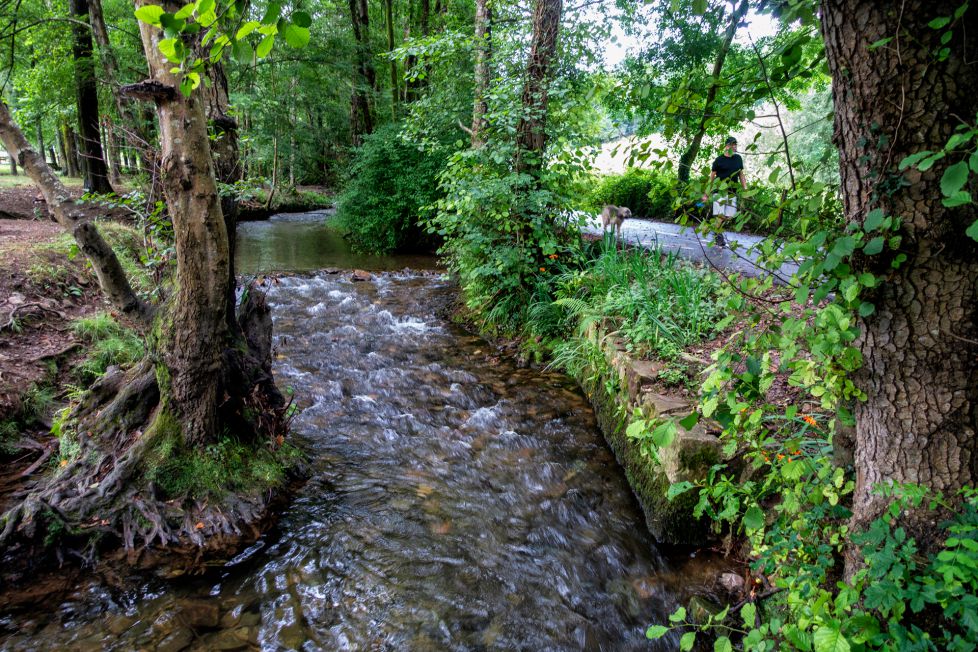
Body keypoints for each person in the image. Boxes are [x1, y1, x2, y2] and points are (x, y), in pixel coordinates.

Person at [702, 136, 746, 248]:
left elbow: (741, 175)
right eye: (733, 144)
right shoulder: (718, 160)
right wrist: (706, 193)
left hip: (732, 192)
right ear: (727, 146)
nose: (735, 146)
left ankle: (712, 226)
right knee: (720, 215)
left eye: (736, 144)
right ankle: (718, 237)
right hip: (719, 192)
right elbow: (711, 178)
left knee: (730, 216)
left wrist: (745, 189)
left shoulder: (738, 159)